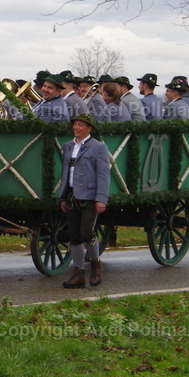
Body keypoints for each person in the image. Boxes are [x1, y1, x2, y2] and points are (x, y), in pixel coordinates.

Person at [59, 113, 111, 288]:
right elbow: (66, 173)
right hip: (72, 195)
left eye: (81, 125)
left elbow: (103, 175)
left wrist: (101, 198)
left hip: (89, 196)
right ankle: (78, 273)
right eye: (75, 124)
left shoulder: (99, 147)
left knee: (86, 232)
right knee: (73, 236)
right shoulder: (68, 146)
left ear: (89, 128)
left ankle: (96, 264)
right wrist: (63, 196)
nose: (76, 127)